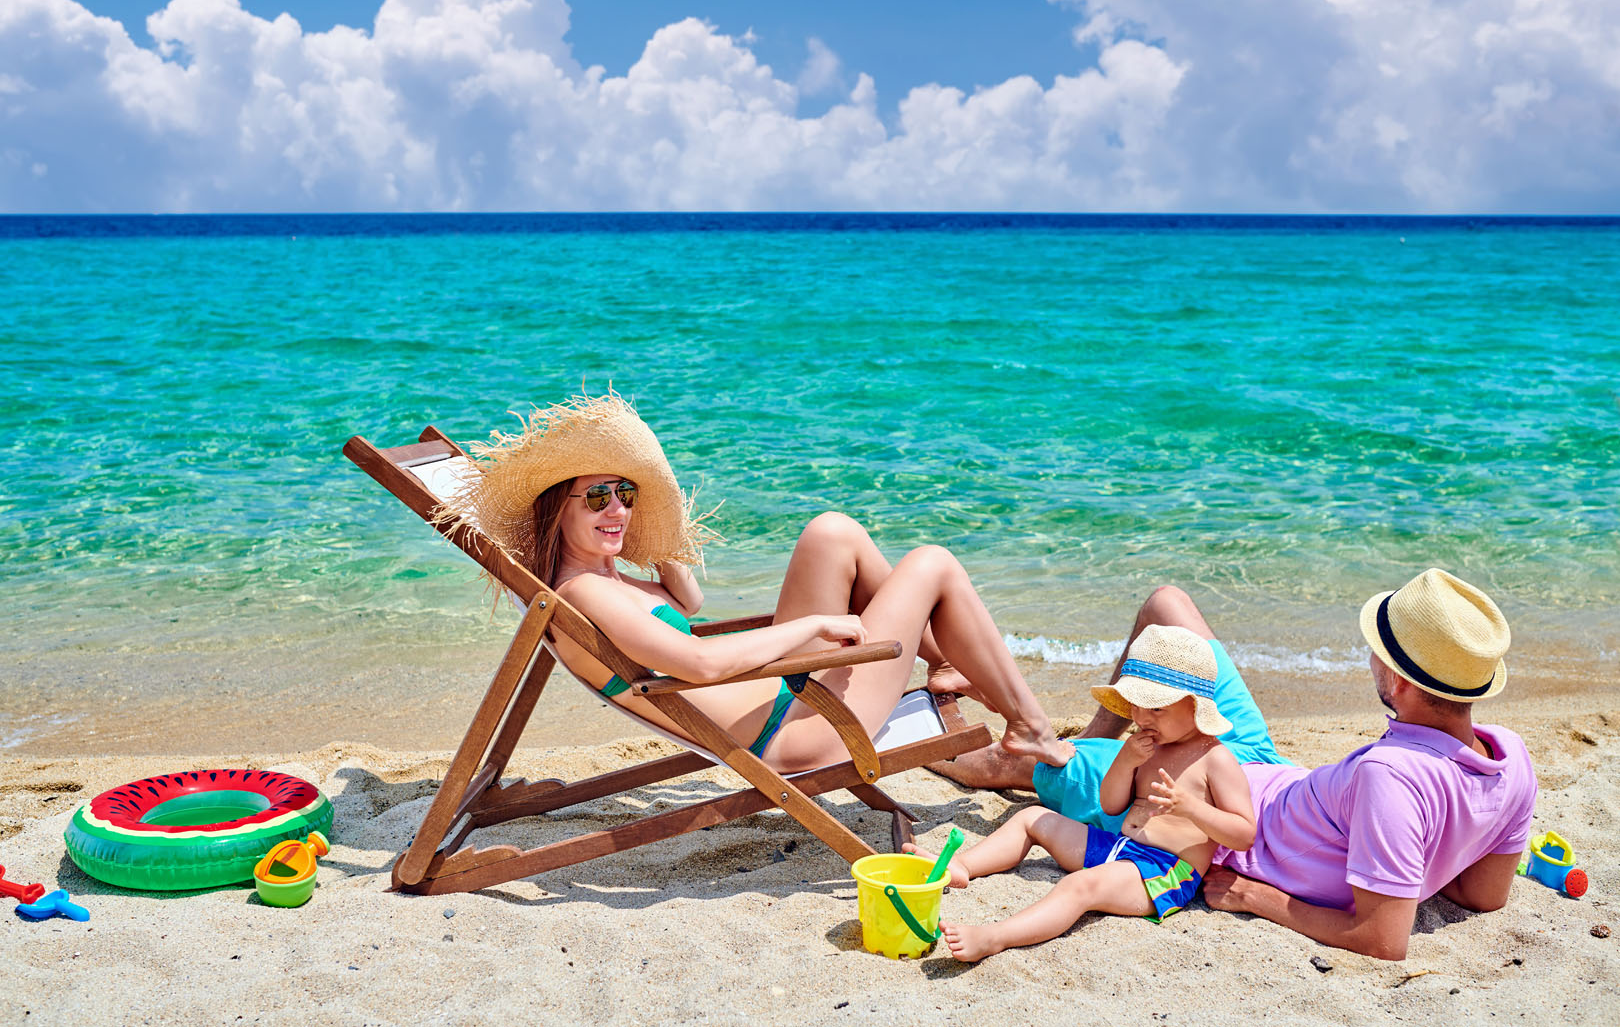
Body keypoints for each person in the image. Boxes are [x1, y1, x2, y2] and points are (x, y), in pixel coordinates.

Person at [436, 392, 1071, 775]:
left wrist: (654, 542)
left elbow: (689, 605)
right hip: (799, 733)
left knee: (832, 532)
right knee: (932, 562)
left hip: (781, 697)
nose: (617, 509)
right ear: (556, 510)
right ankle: (1028, 724)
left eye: (625, 494)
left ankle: (944, 662)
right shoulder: (584, 595)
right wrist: (813, 627)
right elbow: (699, 661)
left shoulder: (610, 578)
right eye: (596, 496)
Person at [934, 569, 1537, 961]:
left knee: (1010, 766)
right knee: (1166, 604)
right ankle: (1091, 729)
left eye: (1378, 654)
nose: (1370, 659)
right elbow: (1482, 897)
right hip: (1256, 762)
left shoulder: (1392, 778)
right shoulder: (1509, 759)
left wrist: (1257, 898)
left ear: (1400, 683)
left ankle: (965, 733)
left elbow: (1382, 939)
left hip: (1182, 789)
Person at [920, 625, 1255, 962]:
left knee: (1078, 887)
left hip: (1165, 872)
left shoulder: (1216, 759)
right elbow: (1111, 806)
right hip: (1120, 848)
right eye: (1136, 706)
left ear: (1194, 707)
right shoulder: (1148, 745)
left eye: (1156, 709)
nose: (1141, 718)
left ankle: (994, 938)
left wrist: (1192, 809)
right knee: (1032, 818)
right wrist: (1125, 763)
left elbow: (1244, 834)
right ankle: (963, 865)